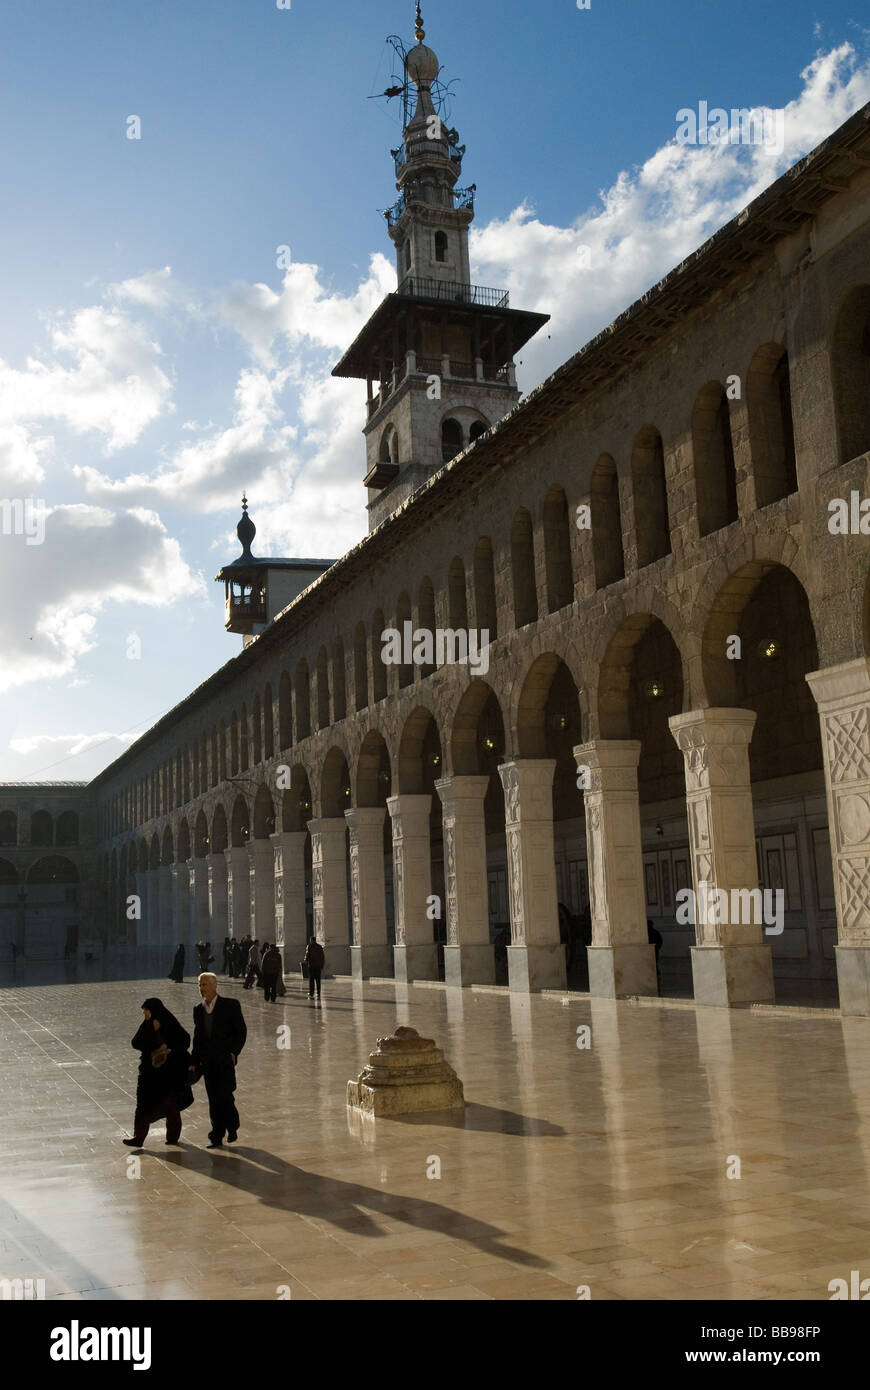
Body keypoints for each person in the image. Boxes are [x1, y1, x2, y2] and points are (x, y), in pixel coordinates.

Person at [123, 998, 193, 1148]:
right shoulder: (147, 1024)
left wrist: (170, 1049)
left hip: (168, 1073)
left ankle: (173, 1137)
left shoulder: (169, 1023)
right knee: (142, 1105)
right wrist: (150, 1029)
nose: (145, 1014)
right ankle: (138, 1137)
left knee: (170, 1105)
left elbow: (185, 1040)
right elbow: (136, 1043)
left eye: (146, 1011)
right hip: (149, 1073)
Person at [190, 973, 246, 1149]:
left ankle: (232, 1126)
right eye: (200, 985)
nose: (202, 988)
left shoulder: (230, 1005)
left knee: (226, 1097)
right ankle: (216, 1136)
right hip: (208, 1062)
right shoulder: (198, 1010)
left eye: (205, 984)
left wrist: (234, 1052)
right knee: (213, 1099)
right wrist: (194, 1060)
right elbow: (198, 1038)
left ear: (215, 985)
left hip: (225, 1061)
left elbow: (241, 1031)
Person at [303, 935, 325, 1001]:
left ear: (311, 940)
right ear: (315, 940)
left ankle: (311, 992)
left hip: (312, 966)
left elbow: (307, 955)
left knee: (311, 980)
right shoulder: (319, 947)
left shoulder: (309, 946)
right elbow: (322, 957)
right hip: (318, 966)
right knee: (318, 980)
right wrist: (322, 965)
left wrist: (305, 960)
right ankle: (318, 992)